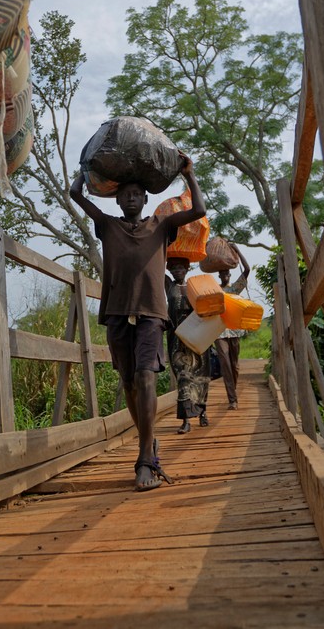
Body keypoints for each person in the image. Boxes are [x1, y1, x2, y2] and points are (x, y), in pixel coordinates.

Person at [69, 157, 206, 491]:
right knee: (129, 381)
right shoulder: (107, 225)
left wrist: (189, 174)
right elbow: (76, 194)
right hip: (116, 311)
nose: (131, 198)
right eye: (125, 194)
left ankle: (146, 457)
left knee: (146, 376)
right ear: (117, 199)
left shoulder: (161, 225)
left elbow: (199, 210)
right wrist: (86, 171)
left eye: (137, 194)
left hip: (150, 312)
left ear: (145, 200)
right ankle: (149, 438)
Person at [166, 257, 212, 433]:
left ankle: (202, 413)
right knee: (183, 377)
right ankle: (186, 420)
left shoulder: (195, 286)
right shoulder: (168, 285)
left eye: (180, 268)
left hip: (196, 336)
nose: (177, 271)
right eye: (174, 268)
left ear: (186, 270)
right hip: (177, 339)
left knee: (200, 374)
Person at [213, 244, 250, 410]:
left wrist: (237, 250)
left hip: (234, 331)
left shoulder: (235, 289)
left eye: (227, 273)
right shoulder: (214, 291)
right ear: (219, 275)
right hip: (219, 333)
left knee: (234, 365)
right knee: (225, 365)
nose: (225, 276)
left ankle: (232, 391)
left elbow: (247, 269)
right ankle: (232, 400)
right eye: (222, 273)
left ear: (229, 274)